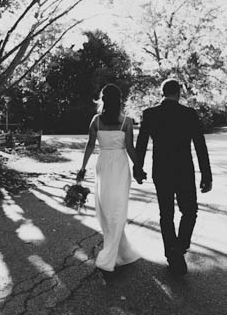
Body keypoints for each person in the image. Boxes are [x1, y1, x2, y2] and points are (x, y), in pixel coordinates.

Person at [134, 79, 212, 275]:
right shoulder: (189, 114)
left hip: (161, 170)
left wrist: (138, 168)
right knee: (190, 211)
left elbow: (141, 143)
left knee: (166, 214)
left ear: (162, 93)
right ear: (179, 93)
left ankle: (172, 252)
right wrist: (206, 175)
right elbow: (200, 146)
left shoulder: (150, 114)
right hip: (184, 170)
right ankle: (179, 247)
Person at [77, 83, 141, 273]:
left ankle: (110, 255)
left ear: (103, 99)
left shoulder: (96, 120)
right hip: (120, 164)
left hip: (104, 163)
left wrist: (82, 167)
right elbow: (129, 148)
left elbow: (90, 146)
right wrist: (139, 166)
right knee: (118, 207)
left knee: (107, 208)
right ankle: (121, 252)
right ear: (119, 100)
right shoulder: (126, 121)